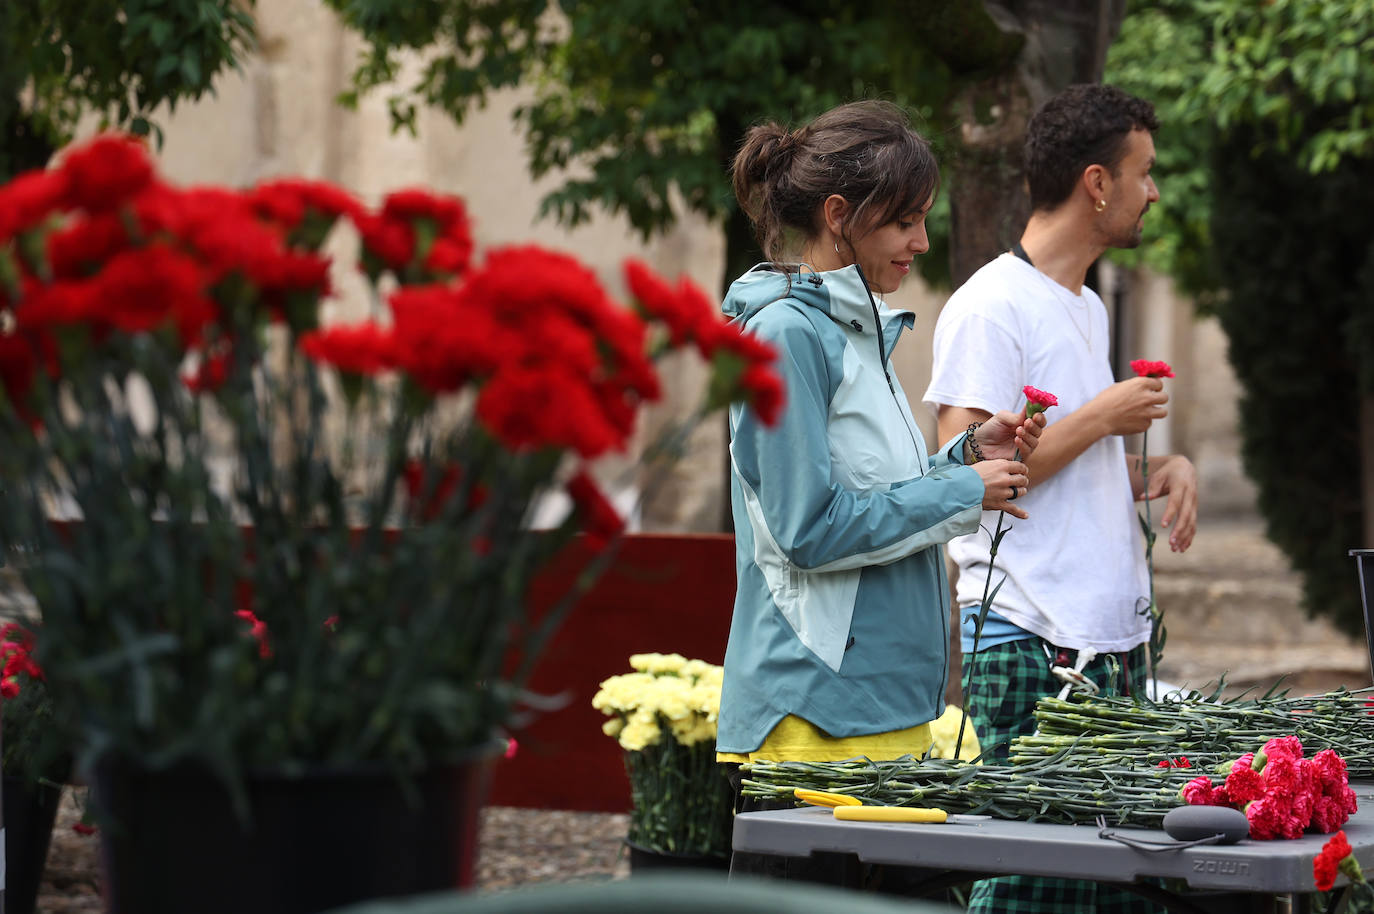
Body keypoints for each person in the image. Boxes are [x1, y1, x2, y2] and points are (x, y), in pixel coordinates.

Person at [714, 99, 1045, 876]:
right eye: (906, 222)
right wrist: (960, 494)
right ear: (839, 215)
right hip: (814, 721)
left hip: (882, 713)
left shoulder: (857, 331)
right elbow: (810, 528)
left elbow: (883, 501)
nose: (922, 243)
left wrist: (964, 456)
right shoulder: (786, 336)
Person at [923, 83, 1199, 913]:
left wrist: (1155, 469)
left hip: (1107, 645)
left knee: (1108, 895)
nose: (1154, 191)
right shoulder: (987, 305)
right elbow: (959, 481)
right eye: (1143, 172)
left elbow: (1065, 465)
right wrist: (1100, 416)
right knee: (1030, 894)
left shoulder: (1082, 306)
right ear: (1097, 183)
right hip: (1032, 641)